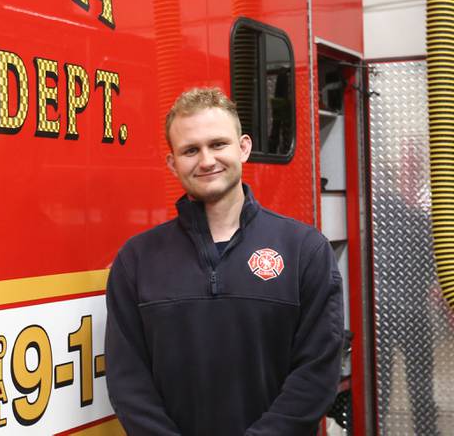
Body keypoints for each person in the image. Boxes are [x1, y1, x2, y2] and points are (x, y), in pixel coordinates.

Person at [105, 87, 343, 435]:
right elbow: (128, 381)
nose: (206, 160)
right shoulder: (136, 260)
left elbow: (317, 372)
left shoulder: (304, 249)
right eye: (190, 150)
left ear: (243, 147)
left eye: (218, 144)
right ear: (172, 163)